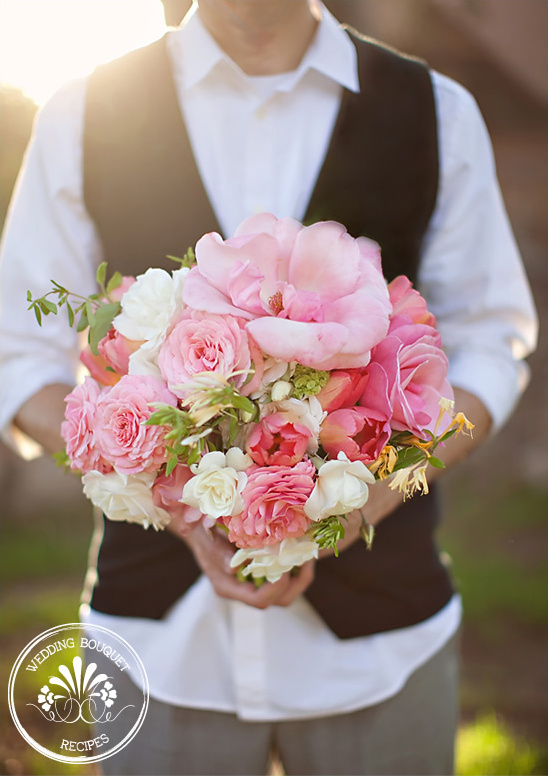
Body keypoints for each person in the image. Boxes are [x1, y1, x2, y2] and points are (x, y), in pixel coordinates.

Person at [0, 1, 538, 774]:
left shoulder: (437, 111)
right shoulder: (81, 113)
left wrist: (368, 496)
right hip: (161, 650)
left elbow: (491, 339)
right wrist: (181, 500)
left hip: (382, 649)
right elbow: (19, 354)